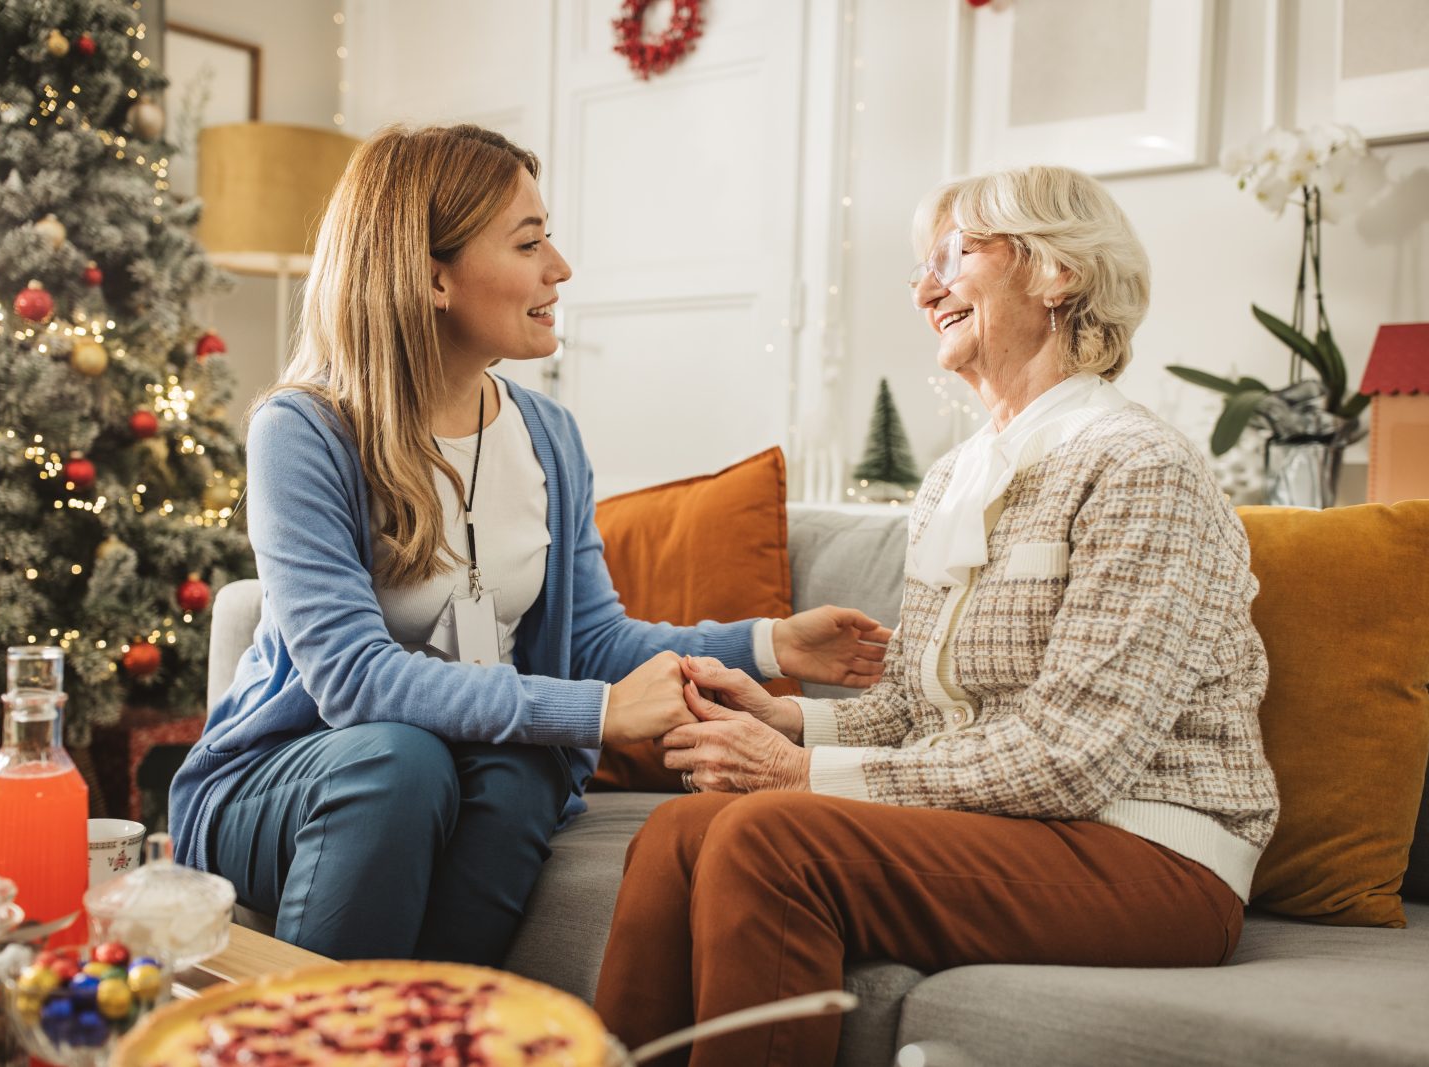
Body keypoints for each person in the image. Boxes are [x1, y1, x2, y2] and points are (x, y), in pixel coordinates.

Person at [593, 165, 1281, 1067]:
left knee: (770, 835)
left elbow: (1074, 757)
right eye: (922, 267)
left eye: (954, 255)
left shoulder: (1141, 466)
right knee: (680, 829)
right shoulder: (954, 480)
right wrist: (782, 715)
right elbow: (919, 711)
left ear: (1057, 272)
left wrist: (801, 773)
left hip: (1148, 850)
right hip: (1017, 826)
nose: (924, 289)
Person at [167, 124, 891, 964]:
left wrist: (770, 640)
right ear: (432, 274)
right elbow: (350, 680)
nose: (561, 267)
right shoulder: (306, 428)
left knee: (524, 773)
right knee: (401, 762)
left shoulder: (548, 436)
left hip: (437, 772)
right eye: (529, 241)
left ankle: (440, 1032)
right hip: (281, 778)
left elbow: (592, 640)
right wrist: (599, 712)